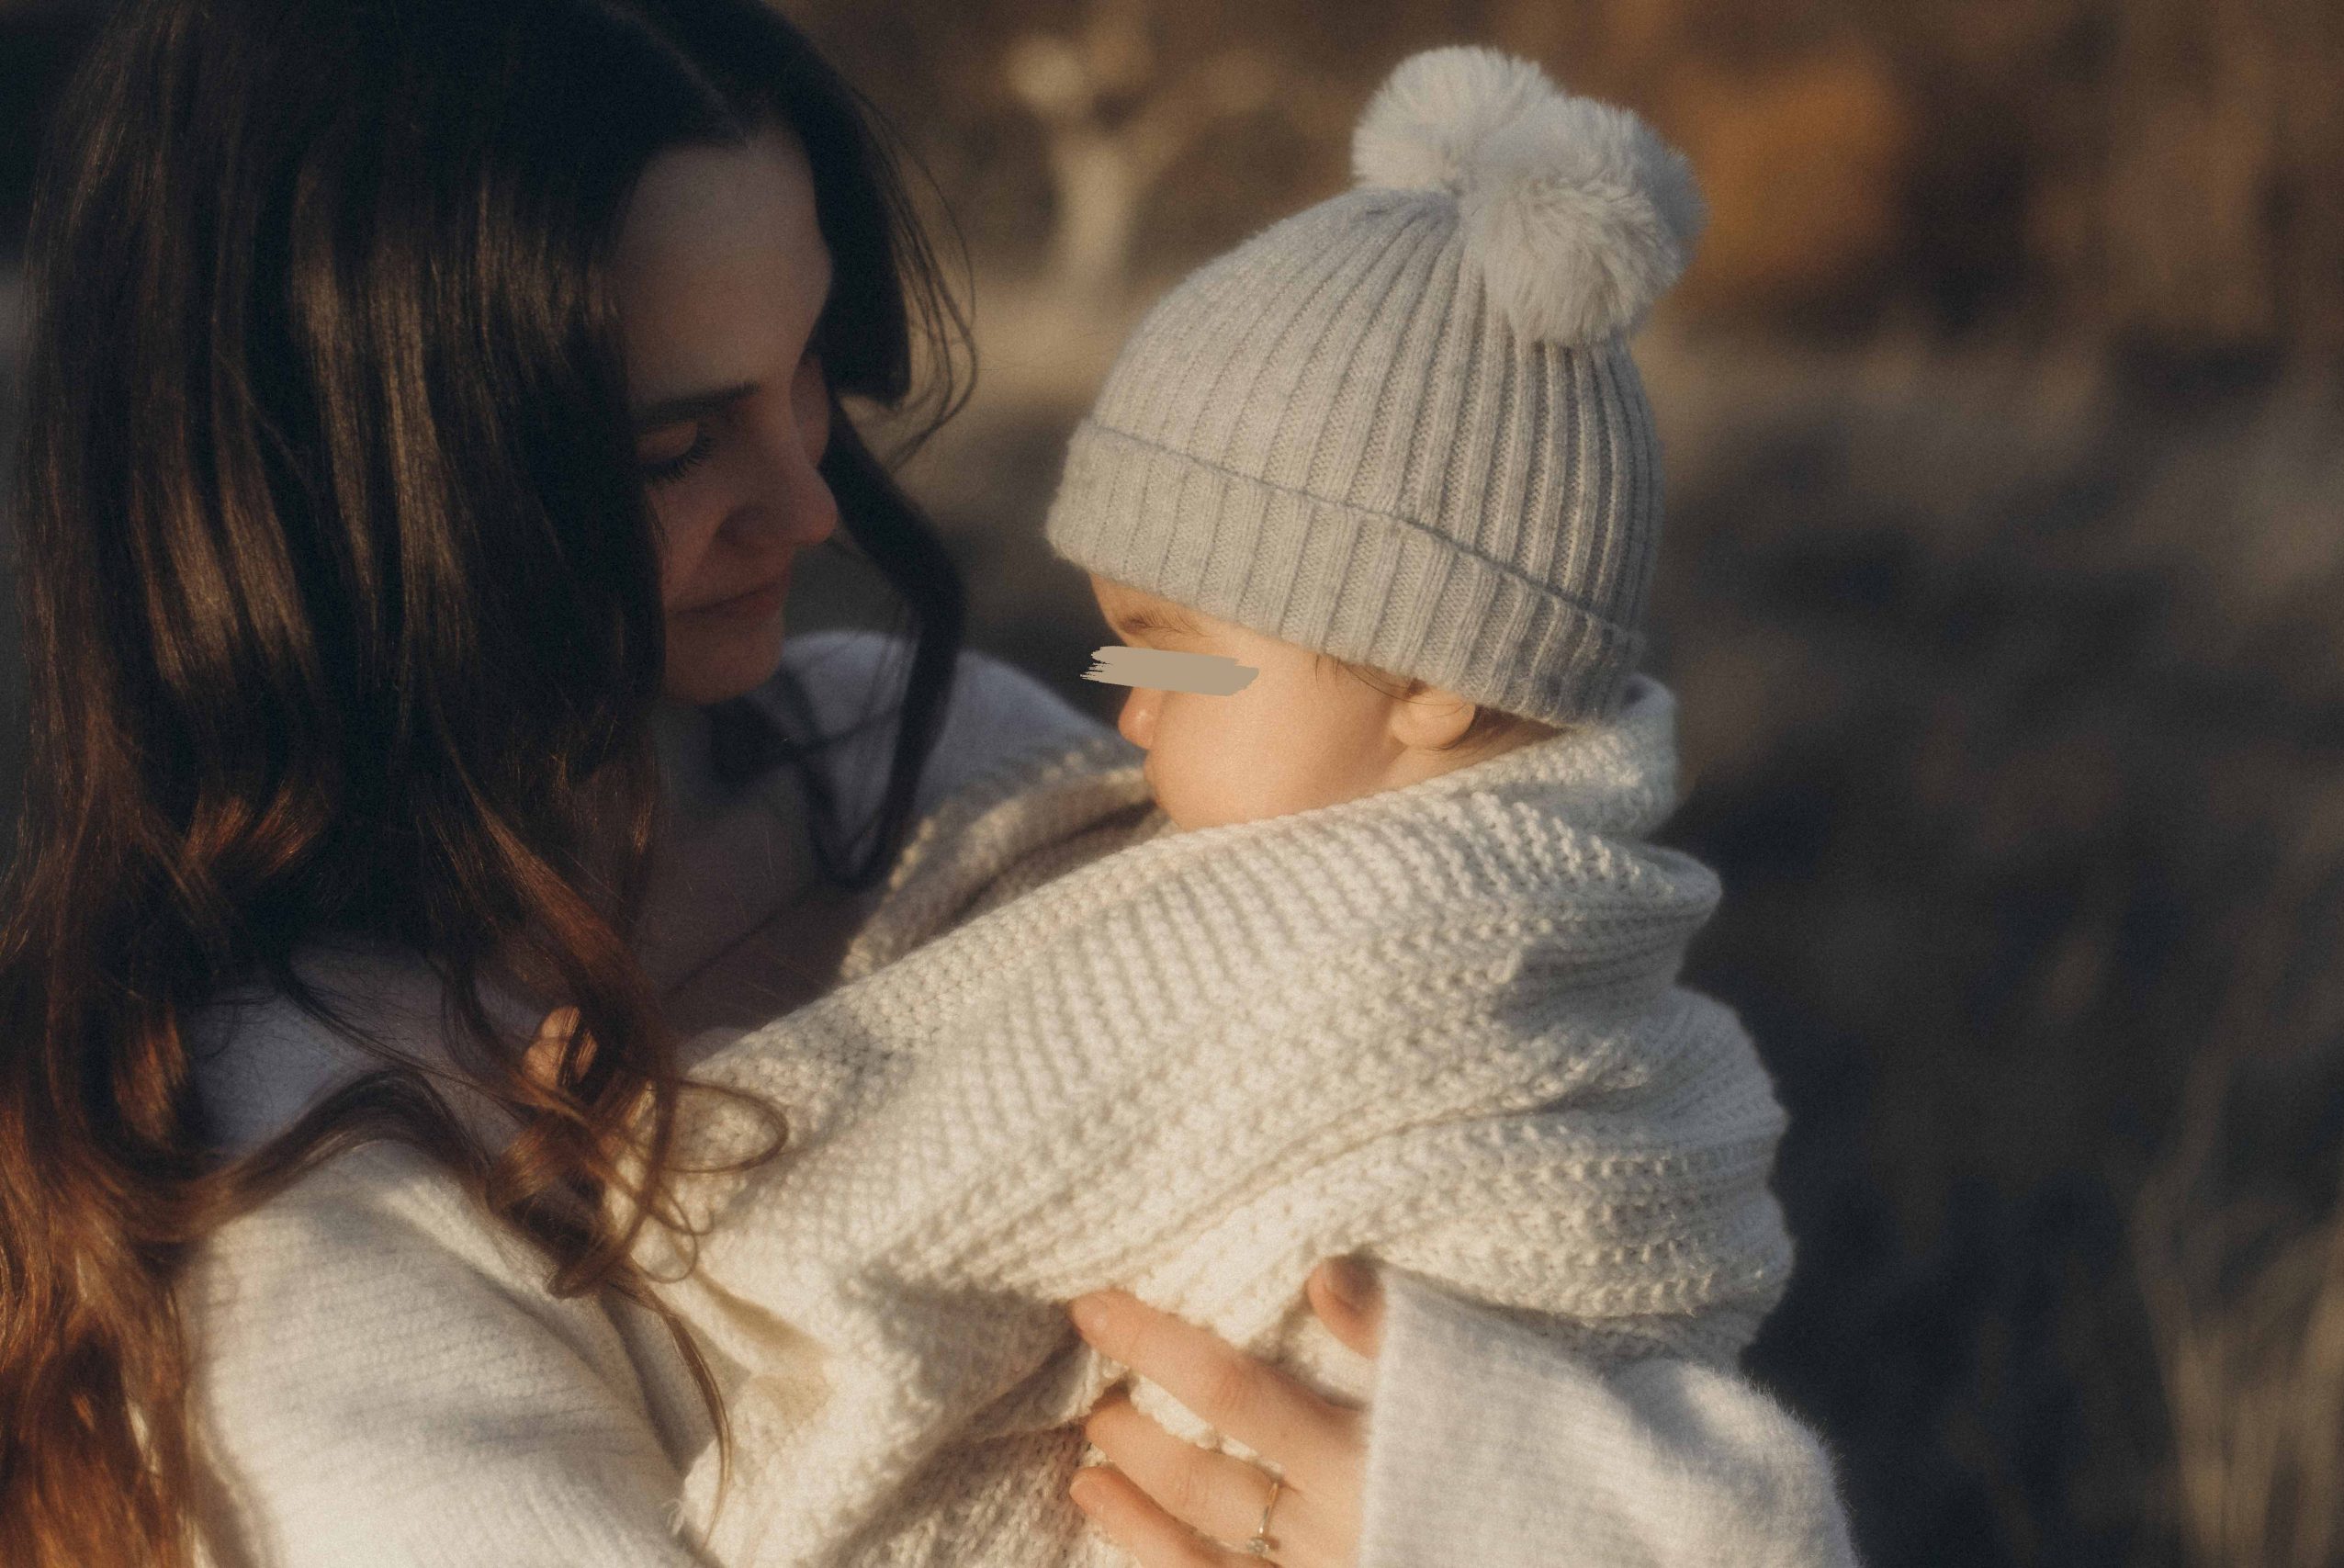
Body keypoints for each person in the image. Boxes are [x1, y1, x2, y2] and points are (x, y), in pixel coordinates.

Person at [0, 5, 1856, 1568]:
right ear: (360, 486)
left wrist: (1501, 1505)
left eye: (813, 370)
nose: (809, 502)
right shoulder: (290, 1175)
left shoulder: (936, 750)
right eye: (673, 440)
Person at [540, 47, 1854, 1568]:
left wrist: (654, 1149)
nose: (1126, 704)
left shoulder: (1367, 949)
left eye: (1170, 643)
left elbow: (907, 1194)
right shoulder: (1250, 848)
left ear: (1430, 678)